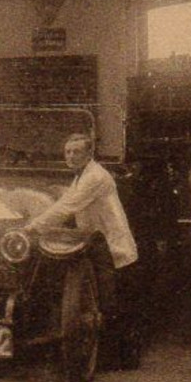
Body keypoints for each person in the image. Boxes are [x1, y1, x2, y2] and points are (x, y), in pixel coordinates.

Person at [24, 132, 138, 341]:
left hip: (111, 244)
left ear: (89, 153)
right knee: (103, 298)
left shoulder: (95, 176)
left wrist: (31, 228)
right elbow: (64, 202)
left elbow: (66, 207)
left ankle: (118, 357)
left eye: (77, 151)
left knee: (110, 302)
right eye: (67, 152)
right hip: (97, 242)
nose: (71, 156)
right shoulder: (81, 176)